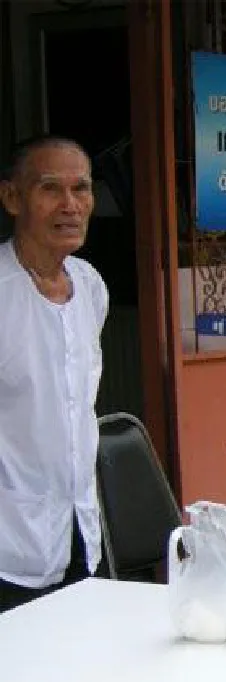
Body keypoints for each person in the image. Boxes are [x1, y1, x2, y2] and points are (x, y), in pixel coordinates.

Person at [0, 135, 107, 614]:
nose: (70, 205)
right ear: (11, 198)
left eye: (80, 189)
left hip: (79, 533)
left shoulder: (89, 286)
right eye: (49, 189)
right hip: (8, 547)